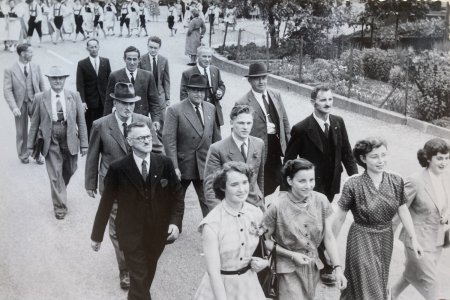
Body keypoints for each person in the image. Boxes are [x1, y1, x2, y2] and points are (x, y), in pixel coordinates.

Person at [90, 122, 184, 300]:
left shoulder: (164, 163)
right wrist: (97, 236)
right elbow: (106, 203)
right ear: (129, 141)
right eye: (141, 138)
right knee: (140, 279)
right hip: (130, 234)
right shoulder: (118, 168)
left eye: (148, 136)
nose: (147, 140)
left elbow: (177, 196)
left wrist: (175, 222)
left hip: (157, 233)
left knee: (145, 276)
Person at [283, 85, 358, 284]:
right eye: (323, 100)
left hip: (332, 182)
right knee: (319, 223)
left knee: (325, 223)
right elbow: (289, 161)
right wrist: (287, 190)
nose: (327, 104)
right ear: (313, 102)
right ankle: (323, 264)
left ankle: (319, 256)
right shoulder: (301, 129)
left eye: (330, 100)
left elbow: (347, 153)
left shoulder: (337, 123)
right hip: (311, 186)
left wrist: (356, 179)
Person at [333, 137, 423, 300]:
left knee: (378, 280)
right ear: (363, 159)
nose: (381, 161)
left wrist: (414, 239)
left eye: (383, 155)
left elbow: (403, 210)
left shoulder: (396, 180)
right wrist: (329, 247)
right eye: (375, 157)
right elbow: (339, 218)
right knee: (368, 284)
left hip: (385, 238)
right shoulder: (352, 184)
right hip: (361, 238)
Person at [85, 82, 156, 290]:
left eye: (132, 103)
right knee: (118, 230)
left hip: (140, 185)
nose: (128, 108)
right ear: (115, 102)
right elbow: (93, 156)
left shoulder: (144, 122)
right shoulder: (101, 125)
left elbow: (156, 150)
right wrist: (90, 182)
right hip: (113, 187)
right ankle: (126, 270)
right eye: (124, 103)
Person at [262, 159, 347, 299]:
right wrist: (292, 255)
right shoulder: (276, 207)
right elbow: (265, 242)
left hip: (312, 268)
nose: (308, 186)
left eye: (311, 180)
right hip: (287, 270)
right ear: (289, 181)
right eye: (302, 181)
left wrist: (337, 268)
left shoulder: (321, 200)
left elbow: (329, 237)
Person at [194, 161, 267, 300]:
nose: (242, 189)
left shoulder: (256, 213)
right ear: (222, 187)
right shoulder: (211, 224)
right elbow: (213, 273)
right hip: (220, 288)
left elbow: (264, 248)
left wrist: (264, 262)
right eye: (234, 185)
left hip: (249, 285)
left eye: (245, 182)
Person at [27, 66, 88, 220]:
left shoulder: (74, 96)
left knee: (71, 168)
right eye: (54, 78)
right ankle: (60, 207)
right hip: (50, 136)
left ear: (65, 79)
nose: (58, 81)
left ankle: (60, 188)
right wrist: (29, 146)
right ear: (48, 80)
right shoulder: (40, 97)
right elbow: (34, 123)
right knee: (55, 173)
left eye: (60, 78)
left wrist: (84, 144)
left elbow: (81, 121)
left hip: (69, 136)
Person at [391, 138, 450, 300]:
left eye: (446, 158)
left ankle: (391, 294)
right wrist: (386, 238)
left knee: (411, 274)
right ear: (428, 158)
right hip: (417, 241)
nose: (444, 162)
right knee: (432, 283)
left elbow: (443, 205)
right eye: (439, 158)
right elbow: (399, 209)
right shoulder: (415, 180)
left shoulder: (445, 179)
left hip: (436, 241)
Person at [163, 74, 221, 217]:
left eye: (201, 90)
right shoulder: (175, 110)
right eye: (194, 90)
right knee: (176, 200)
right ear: (187, 91)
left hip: (204, 165)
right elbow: (169, 140)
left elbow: (216, 138)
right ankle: (172, 229)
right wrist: (174, 167)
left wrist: (219, 164)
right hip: (183, 165)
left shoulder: (210, 108)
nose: (198, 94)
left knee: (209, 200)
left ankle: (211, 227)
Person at [236, 62, 290, 196]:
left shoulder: (275, 95)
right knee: (260, 183)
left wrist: (289, 145)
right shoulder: (242, 102)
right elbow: (239, 131)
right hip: (258, 148)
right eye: (257, 78)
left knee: (279, 178)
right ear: (250, 80)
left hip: (276, 145)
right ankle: (260, 209)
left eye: (264, 78)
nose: (261, 81)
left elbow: (284, 121)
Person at [204, 104, 265, 211]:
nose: (245, 127)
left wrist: (261, 201)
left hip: (255, 204)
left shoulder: (259, 143)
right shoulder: (217, 149)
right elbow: (210, 188)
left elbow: (260, 177)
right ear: (232, 123)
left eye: (249, 123)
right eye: (241, 123)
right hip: (230, 206)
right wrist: (221, 213)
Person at [103, 45, 161, 134]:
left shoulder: (148, 76)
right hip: (122, 121)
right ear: (124, 59)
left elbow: (154, 101)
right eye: (129, 59)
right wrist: (106, 122)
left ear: (139, 60)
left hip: (141, 120)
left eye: (134, 59)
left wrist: (155, 119)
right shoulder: (115, 76)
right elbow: (108, 102)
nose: (132, 62)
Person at [4, 43, 45, 164]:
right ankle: (23, 154)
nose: (33, 54)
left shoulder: (36, 66)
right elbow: (7, 90)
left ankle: (37, 154)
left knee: (38, 129)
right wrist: (14, 107)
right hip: (20, 104)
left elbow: (42, 85)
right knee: (21, 131)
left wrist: (45, 100)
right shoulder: (10, 70)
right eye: (30, 52)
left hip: (35, 101)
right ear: (23, 54)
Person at [180, 46, 226, 128]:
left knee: (217, 138)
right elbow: (183, 95)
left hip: (214, 111)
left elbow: (221, 85)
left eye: (209, 57)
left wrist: (220, 92)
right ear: (198, 57)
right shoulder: (188, 73)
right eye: (204, 56)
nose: (207, 59)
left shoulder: (215, 70)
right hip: (198, 111)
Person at [76, 38, 111, 138]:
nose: (94, 49)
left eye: (96, 47)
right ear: (87, 48)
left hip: (104, 100)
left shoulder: (106, 62)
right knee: (91, 125)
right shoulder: (82, 64)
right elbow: (80, 84)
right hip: (90, 101)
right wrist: (82, 101)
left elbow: (110, 81)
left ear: (99, 47)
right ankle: (90, 145)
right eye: (91, 47)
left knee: (104, 124)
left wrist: (111, 99)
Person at [138, 36, 170, 138]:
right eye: (150, 47)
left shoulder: (163, 60)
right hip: (145, 97)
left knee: (161, 123)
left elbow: (166, 80)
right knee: (143, 122)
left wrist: (167, 98)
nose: (152, 50)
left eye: (155, 48)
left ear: (159, 48)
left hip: (160, 96)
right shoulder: (141, 60)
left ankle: (161, 147)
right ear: (147, 46)